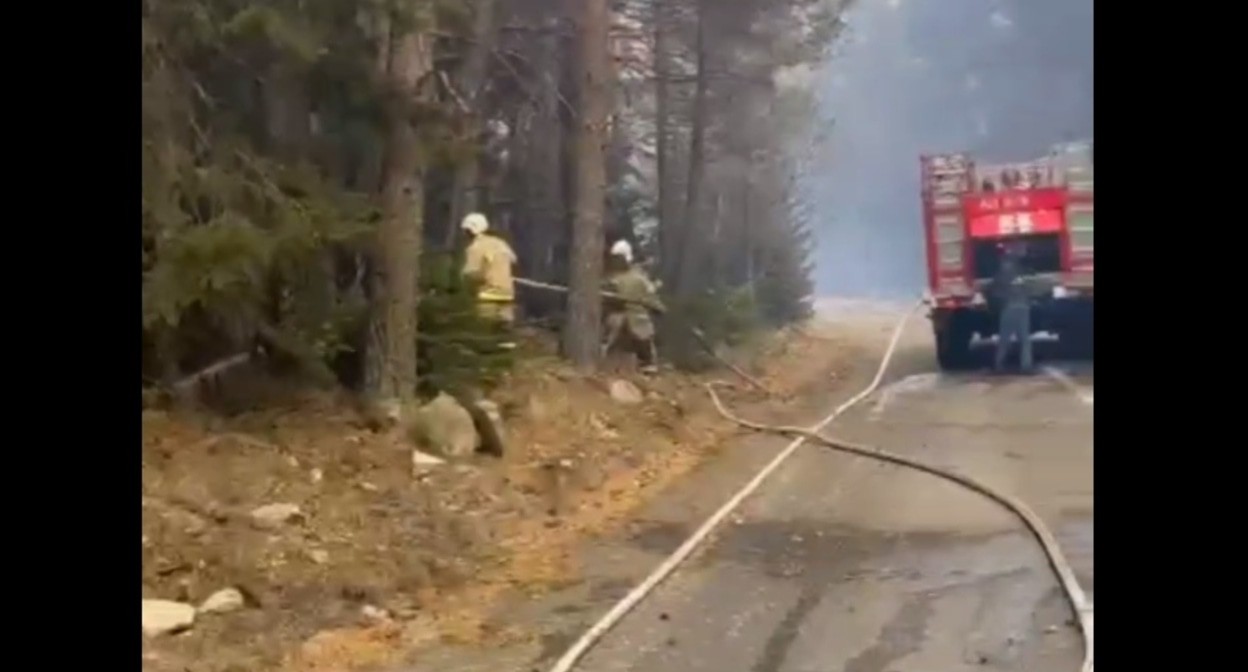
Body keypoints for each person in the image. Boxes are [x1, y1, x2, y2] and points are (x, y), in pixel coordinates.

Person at [602, 240, 665, 374]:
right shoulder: (630, 278)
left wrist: (658, 307)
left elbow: (651, 298)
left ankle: (646, 364)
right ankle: (646, 363)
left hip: (633, 321)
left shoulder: (633, 278)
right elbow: (651, 298)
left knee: (642, 333)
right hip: (622, 320)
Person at [460, 212, 518, 348]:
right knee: (505, 331)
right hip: (507, 293)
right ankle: (505, 358)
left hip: (487, 294)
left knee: (485, 331)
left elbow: (471, 273)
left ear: (471, 230)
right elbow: (513, 260)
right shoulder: (500, 243)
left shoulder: (474, 248)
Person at [990, 241, 1034, 374]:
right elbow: (1031, 288)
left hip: (1009, 309)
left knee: (1005, 339)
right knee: (1024, 339)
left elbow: (995, 291)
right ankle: (1026, 366)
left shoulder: (1001, 274)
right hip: (1023, 308)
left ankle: (999, 365)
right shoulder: (1022, 272)